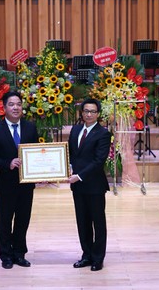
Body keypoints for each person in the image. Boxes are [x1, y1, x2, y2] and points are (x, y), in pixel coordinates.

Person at [0, 91, 39, 269]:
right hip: (6, 182)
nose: (16, 107)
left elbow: (37, 153)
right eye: (11, 104)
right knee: (6, 219)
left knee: (23, 219)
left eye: (19, 104)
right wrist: (7, 163)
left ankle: (19, 253)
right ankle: (6, 255)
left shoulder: (30, 127)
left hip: (26, 183)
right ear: (4, 107)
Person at [68, 99, 111, 272]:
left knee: (97, 222)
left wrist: (79, 175)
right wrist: (67, 168)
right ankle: (86, 255)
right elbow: (72, 154)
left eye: (92, 111)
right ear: (82, 112)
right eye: (86, 111)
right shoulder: (75, 129)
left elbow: (98, 161)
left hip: (94, 185)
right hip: (77, 186)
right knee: (82, 221)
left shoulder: (103, 133)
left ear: (98, 114)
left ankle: (98, 258)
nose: (88, 114)